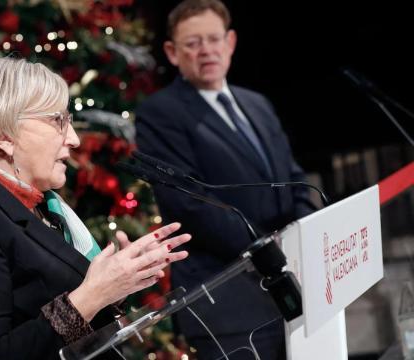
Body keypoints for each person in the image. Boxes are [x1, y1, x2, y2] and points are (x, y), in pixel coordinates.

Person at [0, 57, 191, 360]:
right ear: (2, 134)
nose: (74, 139)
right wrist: (94, 294)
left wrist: (118, 283)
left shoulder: (40, 204)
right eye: (57, 121)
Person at [135, 1, 316, 359]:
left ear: (230, 42)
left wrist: (305, 234)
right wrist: (273, 252)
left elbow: (293, 178)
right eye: (193, 43)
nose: (207, 50)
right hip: (230, 304)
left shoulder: (258, 104)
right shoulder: (159, 113)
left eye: (214, 38)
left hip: (295, 284)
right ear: (172, 52)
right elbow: (192, 204)